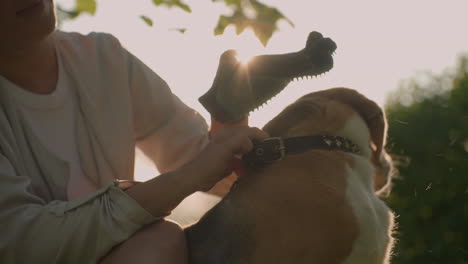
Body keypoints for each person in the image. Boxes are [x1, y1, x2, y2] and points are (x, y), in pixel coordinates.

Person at [0, 0, 268, 263]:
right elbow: (18, 241)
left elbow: (209, 165)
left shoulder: (103, 59)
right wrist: (183, 179)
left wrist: (231, 129)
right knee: (158, 239)